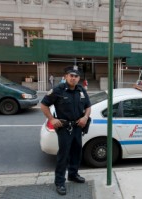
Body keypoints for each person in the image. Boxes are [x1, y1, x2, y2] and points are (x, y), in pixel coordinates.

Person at [40, 66, 91, 196]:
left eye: (76, 76)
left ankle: (73, 175)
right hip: (64, 128)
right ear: (66, 77)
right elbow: (43, 105)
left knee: (76, 152)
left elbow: (88, 106)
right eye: (71, 76)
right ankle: (60, 182)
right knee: (63, 156)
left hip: (78, 127)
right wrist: (51, 119)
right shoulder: (58, 90)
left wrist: (85, 117)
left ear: (79, 78)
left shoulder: (81, 90)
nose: (73, 78)